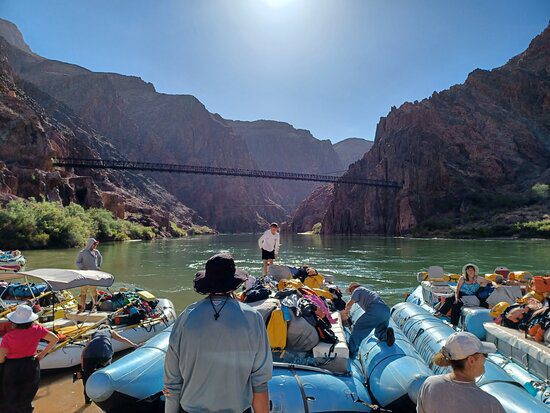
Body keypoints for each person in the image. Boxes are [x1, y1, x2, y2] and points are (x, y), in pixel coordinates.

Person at [163, 253, 272, 413]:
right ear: (233, 284)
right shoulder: (253, 318)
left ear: (207, 284)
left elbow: (172, 383)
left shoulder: (186, 317)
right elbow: (260, 384)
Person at [416, 332, 505, 413]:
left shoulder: (430, 384)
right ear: (471, 361)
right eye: (485, 354)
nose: (486, 359)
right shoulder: (490, 404)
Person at [0, 304, 59, 413]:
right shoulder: (37, 329)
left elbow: (1, 357)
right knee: (27, 396)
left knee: (9, 398)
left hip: (12, 368)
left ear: (15, 321)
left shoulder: (8, 337)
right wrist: (42, 354)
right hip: (31, 365)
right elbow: (55, 339)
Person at [80, 324, 141, 404]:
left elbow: (85, 350)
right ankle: (109, 396)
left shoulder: (94, 333)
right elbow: (122, 339)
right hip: (104, 352)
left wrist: (83, 367)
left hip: (89, 354)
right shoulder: (110, 331)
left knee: (86, 377)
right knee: (107, 374)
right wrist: (134, 345)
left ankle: (88, 400)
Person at [342, 282, 395, 356]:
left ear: (352, 288)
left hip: (375, 309)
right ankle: (387, 334)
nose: (351, 294)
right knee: (379, 331)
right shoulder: (367, 291)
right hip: (386, 310)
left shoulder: (357, 290)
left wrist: (345, 313)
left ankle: (352, 351)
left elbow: (349, 304)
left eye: (350, 292)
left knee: (358, 327)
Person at [75, 237, 103, 312]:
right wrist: (83, 268)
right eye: (94, 244)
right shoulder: (82, 252)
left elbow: (100, 257)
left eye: (96, 244)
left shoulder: (96, 252)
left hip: (93, 275)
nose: (95, 246)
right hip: (84, 275)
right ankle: (82, 308)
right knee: (83, 292)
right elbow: (77, 262)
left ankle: (94, 307)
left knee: (94, 292)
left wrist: (99, 266)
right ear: (90, 244)